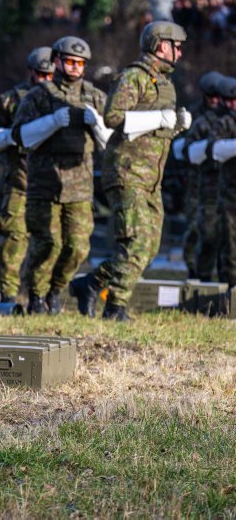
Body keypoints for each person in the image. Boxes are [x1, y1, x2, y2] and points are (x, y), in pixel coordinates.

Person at [70, 21, 191, 320]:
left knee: (149, 249)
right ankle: (115, 307)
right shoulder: (134, 77)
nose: (179, 52)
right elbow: (112, 117)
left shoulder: (164, 83)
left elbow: (155, 132)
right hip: (127, 173)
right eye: (176, 46)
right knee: (135, 243)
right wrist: (160, 118)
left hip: (151, 179)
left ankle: (91, 284)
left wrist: (175, 126)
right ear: (161, 45)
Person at [12, 37, 110, 315]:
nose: (75, 67)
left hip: (80, 186)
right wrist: (52, 122)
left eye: (80, 63)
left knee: (77, 247)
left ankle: (56, 290)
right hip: (44, 184)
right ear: (56, 61)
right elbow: (20, 136)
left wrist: (97, 123)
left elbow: (112, 139)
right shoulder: (39, 96)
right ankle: (36, 296)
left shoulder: (94, 96)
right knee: (46, 244)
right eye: (69, 61)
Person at [0, 47, 55, 304]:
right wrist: (12, 137)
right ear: (31, 72)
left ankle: (43, 295)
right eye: (41, 74)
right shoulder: (12, 100)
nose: (45, 80)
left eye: (50, 75)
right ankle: (8, 294)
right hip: (21, 183)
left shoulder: (64, 100)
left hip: (54, 186)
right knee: (14, 237)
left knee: (52, 241)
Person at [186, 76, 236, 285]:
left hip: (226, 192)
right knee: (211, 239)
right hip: (213, 191)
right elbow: (198, 151)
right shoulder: (217, 122)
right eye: (228, 100)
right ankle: (204, 280)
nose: (232, 104)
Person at [176, 71, 226, 280]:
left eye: (218, 96)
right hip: (197, 183)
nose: (214, 100)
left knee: (220, 233)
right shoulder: (196, 116)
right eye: (210, 96)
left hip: (222, 184)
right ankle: (194, 271)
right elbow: (183, 150)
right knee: (195, 229)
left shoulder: (226, 116)